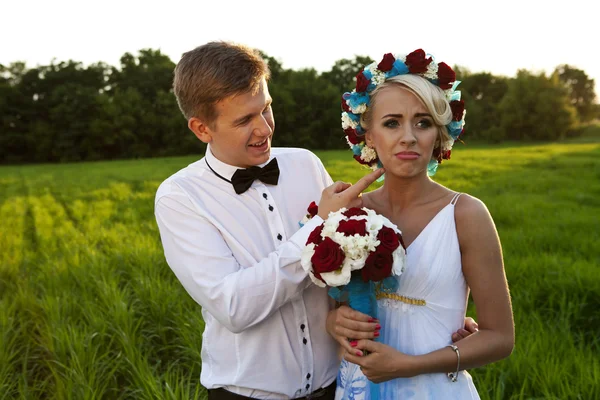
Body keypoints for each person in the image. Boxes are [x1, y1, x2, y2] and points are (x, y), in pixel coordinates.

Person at [154, 41, 478, 400]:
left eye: (266, 109)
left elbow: (348, 271)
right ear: (201, 128)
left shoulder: (305, 164)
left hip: (337, 388)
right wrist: (315, 226)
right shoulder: (180, 197)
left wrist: (434, 321)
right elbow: (234, 307)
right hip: (247, 395)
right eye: (244, 120)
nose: (264, 128)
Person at [326, 50, 515, 399]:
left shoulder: (466, 215)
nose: (409, 137)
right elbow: (334, 307)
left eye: (423, 122)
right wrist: (333, 322)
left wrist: (408, 365)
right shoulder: (350, 213)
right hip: (357, 388)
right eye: (392, 122)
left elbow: (500, 338)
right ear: (368, 135)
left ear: (440, 134)